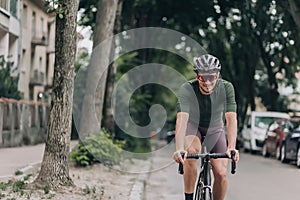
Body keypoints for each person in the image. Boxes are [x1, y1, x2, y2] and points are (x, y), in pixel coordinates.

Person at [173, 54, 239, 200]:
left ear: (217, 75)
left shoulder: (226, 88)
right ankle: (189, 198)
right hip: (193, 126)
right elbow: (182, 119)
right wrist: (179, 149)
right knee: (190, 152)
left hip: (215, 128)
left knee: (221, 173)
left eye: (212, 77)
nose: (207, 82)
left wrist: (232, 147)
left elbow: (231, 118)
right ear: (197, 76)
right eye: (203, 78)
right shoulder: (187, 89)